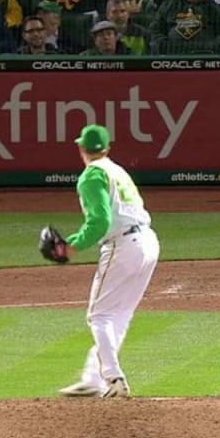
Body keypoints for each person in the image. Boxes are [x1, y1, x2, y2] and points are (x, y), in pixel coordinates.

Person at [58, 124, 160, 399]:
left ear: (81, 149)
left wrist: (72, 246)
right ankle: (93, 378)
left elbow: (101, 221)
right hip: (148, 242)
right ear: (107, 148)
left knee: (100, 316)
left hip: (123, 245)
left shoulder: (92, 175)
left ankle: (113, 378)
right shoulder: (116, 169)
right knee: (119, 315)